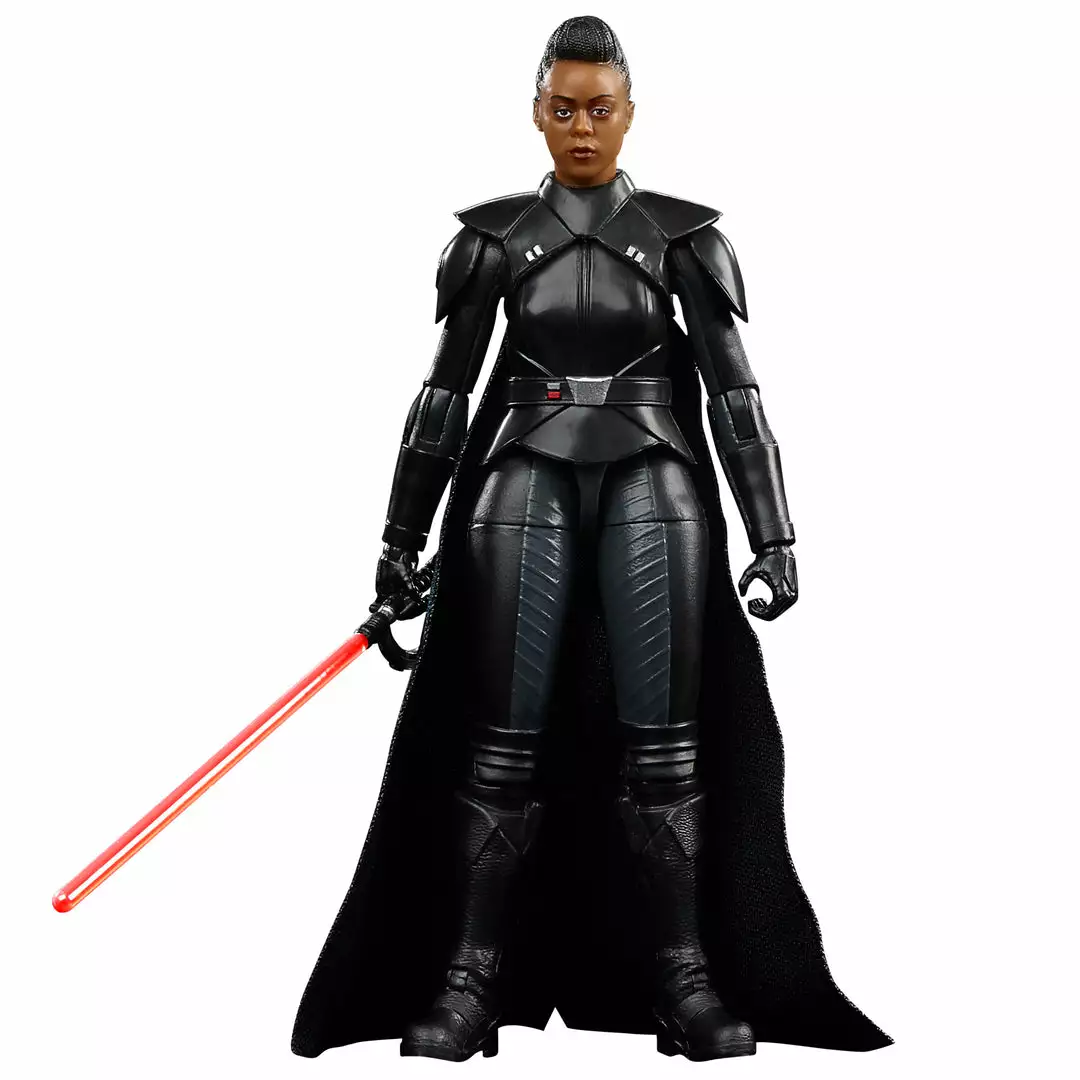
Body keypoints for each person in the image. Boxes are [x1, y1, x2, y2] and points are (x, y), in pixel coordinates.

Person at [292, 15, 889, 1063]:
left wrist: (774, 532)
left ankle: (685, 980)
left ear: (629, 114)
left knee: (668, 746)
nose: (581, 128)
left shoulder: (684, 239)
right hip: (522, 477)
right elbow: (443, 399)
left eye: (599, 109)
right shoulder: (491, 242)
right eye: (563, 108)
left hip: (655, 475)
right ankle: (472, 979)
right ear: (536, 112)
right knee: (499, 741)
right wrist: (398, 536)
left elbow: (737, 398)